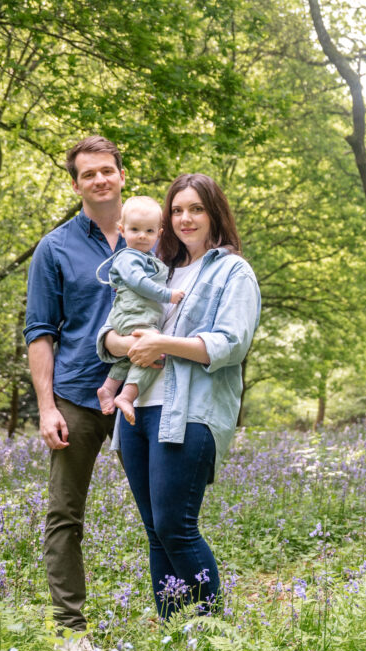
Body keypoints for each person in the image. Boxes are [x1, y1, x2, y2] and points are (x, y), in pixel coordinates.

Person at [98, 173, 261, 619]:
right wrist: (119, 343)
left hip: (189, 413)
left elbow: (230, 343)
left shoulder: (232, 271)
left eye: (196, 209)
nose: (185, 218)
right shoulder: (154, 267)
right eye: (177, 210)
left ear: (214, 214)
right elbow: (114, 325)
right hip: (136, 414)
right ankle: (175, 636)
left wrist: (161, 344)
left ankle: (211, 632)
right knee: (155, 531)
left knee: (176, 527)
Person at [24, 135, 126, 651]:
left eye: (107, 170)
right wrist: (46, 408)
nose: (100, 180)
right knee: (65, 514)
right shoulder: (55, 247)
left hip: (144, 395)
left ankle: (182, 616)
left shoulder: (153, 236)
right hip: (77, 397)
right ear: (76, 183)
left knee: (164, 511)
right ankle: (72, 633)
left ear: (121, 175)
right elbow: (40, 332)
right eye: (89, 174)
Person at [95, 196, 185, 424]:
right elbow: (137, 282)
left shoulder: (149, 258)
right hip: (131, 316)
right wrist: (168, 295)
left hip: (141, 317)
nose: (142, 235)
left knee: (133, 356)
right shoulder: (128, 258)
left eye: (149, 230)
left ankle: (108, 388)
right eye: (135, 229)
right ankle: (126, 396)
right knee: (155, 347)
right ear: (122, 230)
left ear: (159, 233)